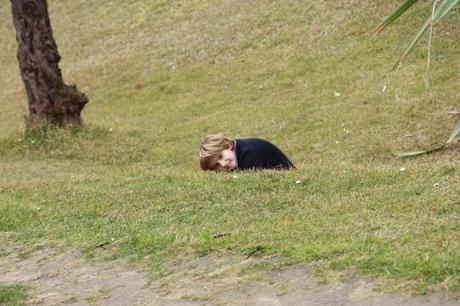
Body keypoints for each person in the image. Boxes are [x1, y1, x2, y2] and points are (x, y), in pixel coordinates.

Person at [199, 133, 295, 172]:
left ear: (228, 146)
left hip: (287, 175)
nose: (223, 164)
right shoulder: (235, 156)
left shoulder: (248, 153)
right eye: (216, 166)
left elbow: (257, 181)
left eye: (221, 156)